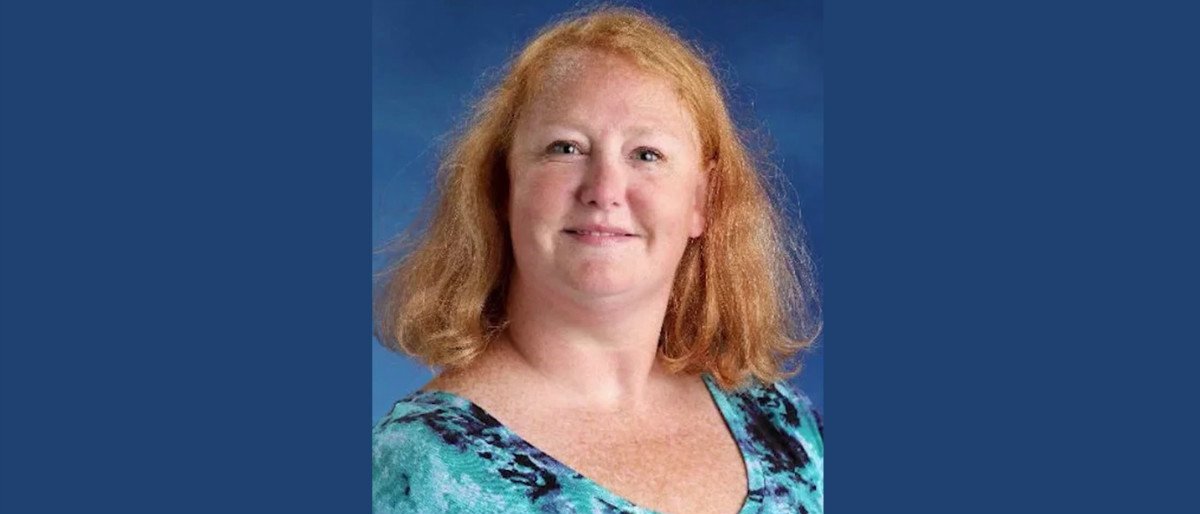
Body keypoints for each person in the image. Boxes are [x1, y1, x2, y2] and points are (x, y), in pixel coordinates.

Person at [373, 7, 822, 514]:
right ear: (502, 187)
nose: (604, 190)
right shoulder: (421, 469)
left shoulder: (787, 429)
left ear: (703, 199)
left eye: (646, 154)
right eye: (566, 148)